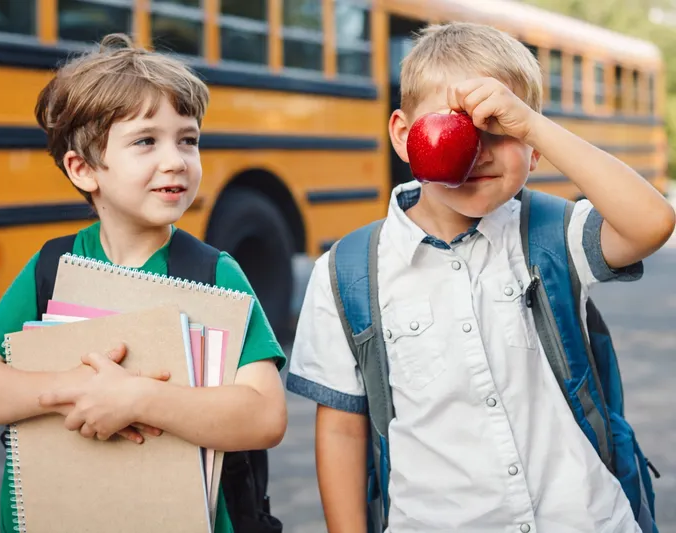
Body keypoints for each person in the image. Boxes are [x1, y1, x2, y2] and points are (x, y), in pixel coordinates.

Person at [286, 22, 675, 533]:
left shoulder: (552, 234)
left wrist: (532, 124)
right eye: (455, 128)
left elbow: (652, 223)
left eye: (501, 130)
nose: (477, 151)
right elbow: (341, 430)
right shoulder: (348, 273)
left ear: (534, 147)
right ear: (403, 135)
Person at [0, 33, 287, 533]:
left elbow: (264, 416)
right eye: (146, 141)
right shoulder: (53, 267)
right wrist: (76, 389)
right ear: (84, 169)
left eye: (188, 140)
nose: (175, 160)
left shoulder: (213, 274)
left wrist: (136, 399)